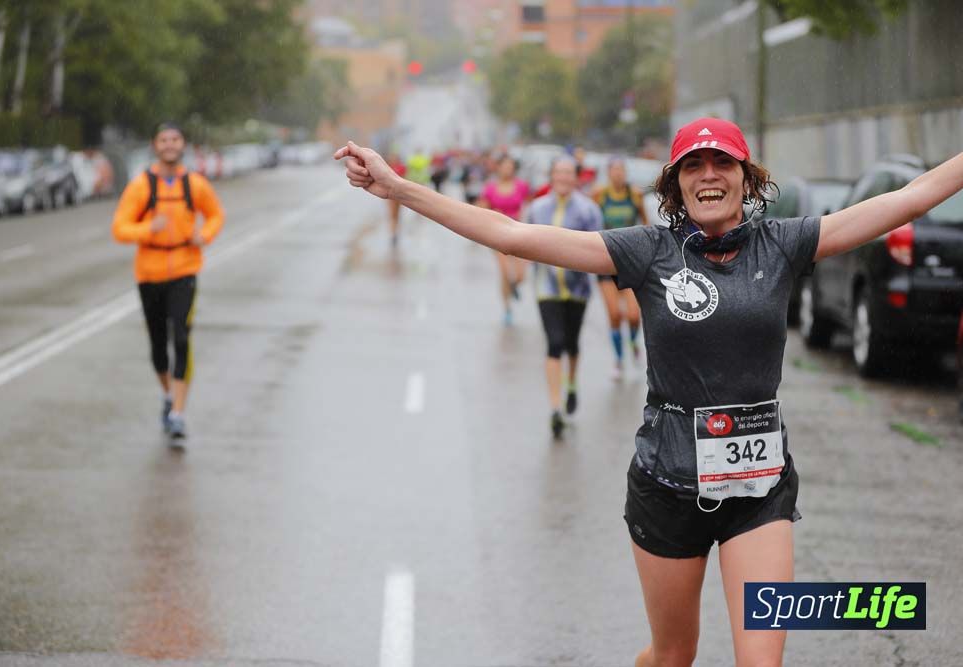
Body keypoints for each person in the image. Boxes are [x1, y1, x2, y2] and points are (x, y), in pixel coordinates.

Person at [335, 115, 963, 665]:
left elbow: (910, 198)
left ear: (748, 178)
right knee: (673, 655)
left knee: (762, 659)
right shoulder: (647, 253)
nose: (709, 174)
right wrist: (397, 188)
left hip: (757, 491)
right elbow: (513, 236)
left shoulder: (786, 243)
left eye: (724, 162)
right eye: (695, 164)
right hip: (667, 485)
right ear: (675, 183)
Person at [112, 122, 224, 442]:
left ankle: (177, 412)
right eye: (164, 140)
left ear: (182, 144)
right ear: (155, 145)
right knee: (158, 347)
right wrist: (149, 228)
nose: (170, 145)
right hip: (149, 273)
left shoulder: (195, 184)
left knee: (182, 338)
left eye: (175, 139)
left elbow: (216, 215)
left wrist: (203, 235)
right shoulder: (141, 186)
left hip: (185, 271)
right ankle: (167, 394)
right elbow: (120, 228)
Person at [527, 157, 602, 436]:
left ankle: (571, 384)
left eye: (568, 173)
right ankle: (555, 408)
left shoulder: (588, 210)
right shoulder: (537, 208)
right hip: (546, 288)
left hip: (578, 289)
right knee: (554, 343)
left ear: (576, 178)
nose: (563, 178)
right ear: (551, 176)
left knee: (572, 343)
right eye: (558, 172)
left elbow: (599, 246)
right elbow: (526, 242)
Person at [592, 157, 648, 379]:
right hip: (605, 262)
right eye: (614, 170)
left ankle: (633, 342)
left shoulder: (634, 195)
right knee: (615, 315)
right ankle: (618, 360)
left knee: (634, 316)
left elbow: (645, 223)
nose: (618, 174)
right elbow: (591, 222)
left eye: (621, 170)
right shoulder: (599, 195)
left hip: (630, 263)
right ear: (608, 173)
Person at [477, 154, 530, 326]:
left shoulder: (522, 186)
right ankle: (507, 308)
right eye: (504, 166)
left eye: (510, 166)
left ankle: (514, 287)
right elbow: (481, 209)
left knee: (520, 275)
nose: (508, 169)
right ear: (498, 167)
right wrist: (493, 214)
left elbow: (530, 206)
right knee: (506, 273)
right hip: (498, 236)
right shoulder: (491, 188)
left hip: (520, 234)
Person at [386, 152, 407, 245]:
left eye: (395, 157)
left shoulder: (402, 167)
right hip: (390, 196)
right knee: (392, 215)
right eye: (392, 157)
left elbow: (405, 179)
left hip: (399, 195)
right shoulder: (387, 167)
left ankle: (396, 231)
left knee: (398, 215)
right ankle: (393, 233)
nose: (393, 159)